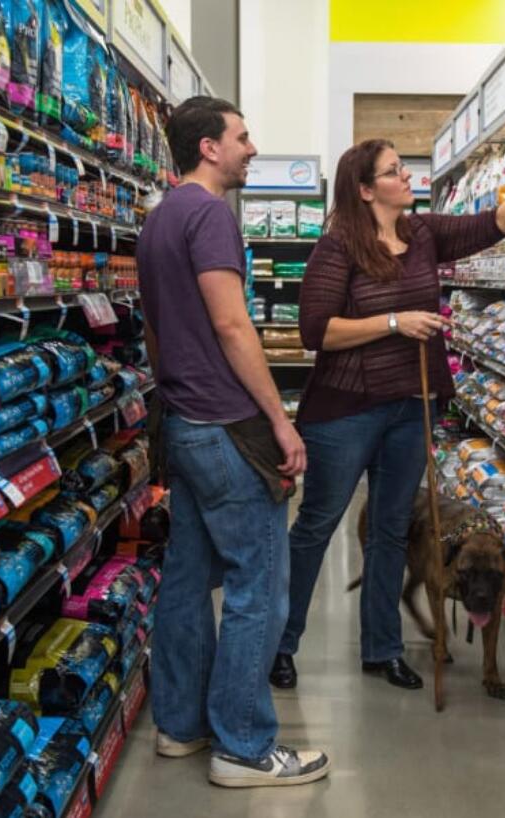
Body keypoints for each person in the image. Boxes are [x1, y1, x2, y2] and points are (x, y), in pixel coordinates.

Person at [269, 115, 505, 691]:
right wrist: (392, 322)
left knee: (388, 530)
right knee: (316, 526)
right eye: (393, 171)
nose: (407, 176)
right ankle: (281, 644)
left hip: (412, 407)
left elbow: (498, 222)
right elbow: (315, 332)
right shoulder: (337, 247)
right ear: (364, 188)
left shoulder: (424, 233)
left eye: (403, 168)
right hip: (345, 412)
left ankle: (381, 649)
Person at [138, 96, 329, 788]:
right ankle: (244, 748)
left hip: (184, 422)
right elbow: (232, 325)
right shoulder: (211, 215)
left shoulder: (157, 220)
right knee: (260, 587)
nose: (252, 148)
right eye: (243, 137)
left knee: (187, 581)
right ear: (209, 147)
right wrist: (280, 419)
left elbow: (158, 331)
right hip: (225, 427)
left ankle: (181, 727)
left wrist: (176, 393)